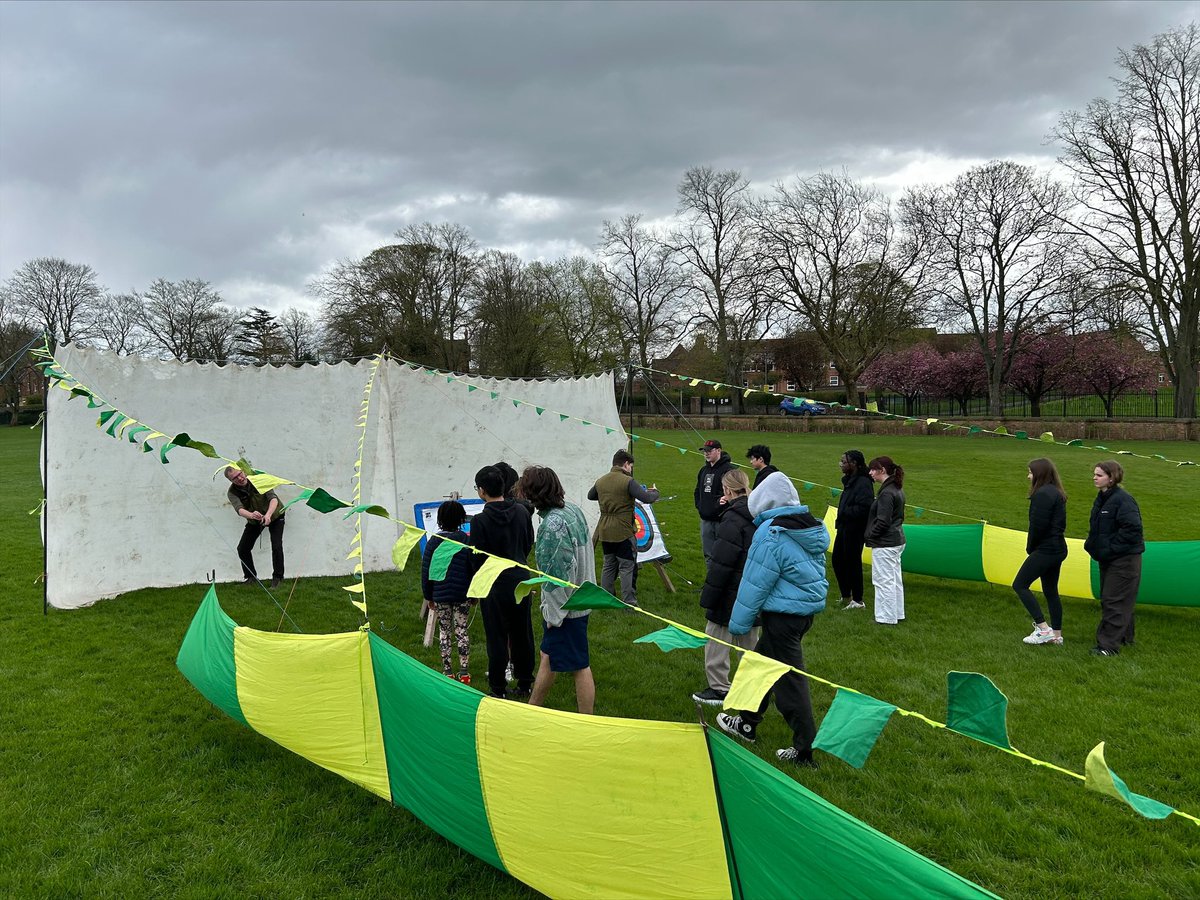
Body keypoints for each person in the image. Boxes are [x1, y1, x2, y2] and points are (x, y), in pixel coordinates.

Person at [716, 471, 829, 768]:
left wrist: (738, 625)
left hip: (783, 618)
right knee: (758, 667)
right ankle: (746, 723)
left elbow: (755, 583)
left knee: (790, 683)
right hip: (802, 615)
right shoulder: (809, 526)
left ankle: (805, 751)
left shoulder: (771, 533)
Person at [518, 465, 596, 714]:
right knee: (548, 655)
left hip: (568, 608)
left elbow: (556, 578)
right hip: (579, 599)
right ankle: (532, 710)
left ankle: (588, 722)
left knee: (579, 666)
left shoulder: (552, 526)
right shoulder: (571, 509)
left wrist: (554, 616)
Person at [692, 469, 758, 705]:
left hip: (731, 588)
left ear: (728, 490)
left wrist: (710, 597)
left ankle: (720, 688)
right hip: (753, 587)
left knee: (717, 637)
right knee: (750, 641)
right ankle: (753, 688)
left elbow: (722, 562)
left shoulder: (734, 518)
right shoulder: (756, 510)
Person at [470, 465, 536, 699]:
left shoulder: (479, 521)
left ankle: (498, 686)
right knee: (522, 632)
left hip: (494, 584)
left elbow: (476, 557)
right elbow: (529, 542)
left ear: (481, 491)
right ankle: (525, 681)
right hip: (519, 579)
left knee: (497, 634)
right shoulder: (521, 512)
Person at [1084, 460, 1144, 657]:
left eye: (1099, 475)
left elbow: (1133, 530)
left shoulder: (1123, 500)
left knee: (1114, 600)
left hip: (1124, 559)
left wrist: (1110, 549)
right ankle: (1126, 637)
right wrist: (1093, 546)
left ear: (1112, 478)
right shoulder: (1102, 498)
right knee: (1115, 598)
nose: (1094, 477)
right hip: (1108, 557)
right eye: (1094, 474)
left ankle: (1107, 647)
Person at [588, 449, 660, 608]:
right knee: (627, 566)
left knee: (609, 564)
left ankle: (606, 598)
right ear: (626, 464)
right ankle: (629, 602)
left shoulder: (601, 481)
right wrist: (655, 492)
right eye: (631, 466)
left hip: (605, 529)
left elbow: (591, 495)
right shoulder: (627, 481)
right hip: (623, 530)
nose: (631, 469)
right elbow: (647, 498)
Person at [1012, 458, 1068, 646]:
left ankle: (1044, 629)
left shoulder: (1042, 494)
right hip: (1058, 548)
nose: (1028, 476)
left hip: (1047, 549)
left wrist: (1031, 548)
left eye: (1030, 472)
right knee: (1051, 591)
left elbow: (1037, 526)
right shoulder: (1057, 492)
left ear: (1039, 474)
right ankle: (1057, 636)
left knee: (1020, 584)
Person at [420, 500, 474, 682]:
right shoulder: (467, 541)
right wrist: (474, 593)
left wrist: (429, 596)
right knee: (462, 629)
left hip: (440, 594)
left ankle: (447, 670)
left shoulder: (434, 542)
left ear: (440, 518)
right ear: (461, 519)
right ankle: (465, 672)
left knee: (444, 630)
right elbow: (473, 569)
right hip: (463, 594)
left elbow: (426, 571)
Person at [224, 466, 285, 588]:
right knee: (242, 548)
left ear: (243, 471)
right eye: (235, 478)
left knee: (276, 546)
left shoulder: (259, 479)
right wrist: (251, 515)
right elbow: (240, 510)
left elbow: (273, 499)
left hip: (275, 515)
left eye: (240, 474)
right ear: (231, 481)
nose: (240, 478)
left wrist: (268, 515)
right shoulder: (232, 493)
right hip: (255, 520)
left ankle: (278, 578)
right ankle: (251, 577)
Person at [864, 456, 906, 626]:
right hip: (896, 540)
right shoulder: (895, 488)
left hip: (886, 542)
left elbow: (883, 521)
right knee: (894, 579)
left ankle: (885, 618)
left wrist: (870, 536)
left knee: (883, 581)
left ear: (882, 470)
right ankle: (897, 613)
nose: (870, 473)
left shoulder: (887, 493)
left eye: (873, 469)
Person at [831, 450, 873, 610]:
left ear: (854, 463)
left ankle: (858, 599)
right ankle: (846, 595)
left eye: (844, 461)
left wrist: (845, 512)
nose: (841, 464)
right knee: (837, 560)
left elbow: (865, 507)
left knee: (852, 562)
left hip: (855, 529)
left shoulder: (863, 482)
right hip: (844, 527)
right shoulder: (850, 480)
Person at [695, 439, 734, 561]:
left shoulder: (729, 470)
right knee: (708, 555)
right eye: (704, 451)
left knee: (723, 555)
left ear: (718, 451)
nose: (706, 454)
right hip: (705, 520)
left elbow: (733, 494)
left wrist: (720, 506)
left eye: (709, 451)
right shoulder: (703, 470)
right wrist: (700, 506)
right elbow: (697, 491)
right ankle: (710, 579)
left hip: (721, 520)